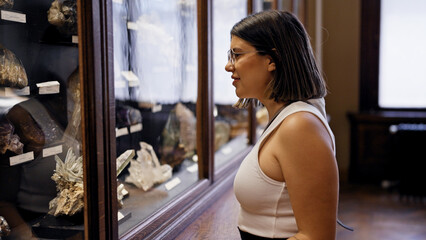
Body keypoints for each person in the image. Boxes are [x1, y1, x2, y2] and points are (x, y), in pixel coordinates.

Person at [226, 10, 339, 240]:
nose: (229, 66)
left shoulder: (300, 126)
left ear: (271, 59)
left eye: (237, 55)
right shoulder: (285, 118)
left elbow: (315, 236)